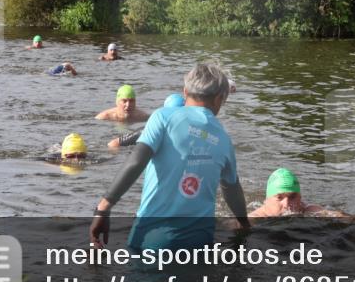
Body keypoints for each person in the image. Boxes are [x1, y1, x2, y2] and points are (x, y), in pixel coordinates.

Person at [90, 62, 249, 251]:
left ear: (184, 92)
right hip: (200, 241)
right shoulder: (223, 138)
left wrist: (103, 208)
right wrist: (244, 224)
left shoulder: (163, 118)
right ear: (219, 99)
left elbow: (136, 161)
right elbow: (231, 189)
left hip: (153, 238)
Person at [249, 168, 346, 218]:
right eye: (279, 197)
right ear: (267, 200)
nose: (287, 204)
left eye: (292, 197)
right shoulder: (258, 216)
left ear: (300, 198)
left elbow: (333, 215)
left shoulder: (306, 209)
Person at [108, 93, 184, 149]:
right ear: (165, 113)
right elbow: (114, 143)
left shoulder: (191, 129)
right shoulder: (150, 131)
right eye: (173, 114)